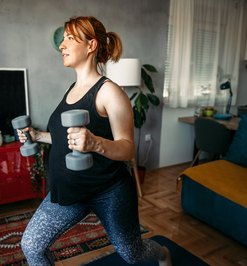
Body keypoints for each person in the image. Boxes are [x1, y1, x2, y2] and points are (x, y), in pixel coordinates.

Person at [18, 16, 172, 266]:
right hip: (69, 191)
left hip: (108, 191)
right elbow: (66, 140)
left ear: (90, 45)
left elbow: (128, 148)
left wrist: (95, 143)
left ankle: (163, 254)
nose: (62, 45)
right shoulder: (71, 89)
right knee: (32, 246)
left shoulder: (110, 91)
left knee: (132, 253)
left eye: (69, 38)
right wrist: (37, 136)